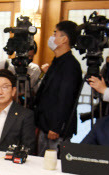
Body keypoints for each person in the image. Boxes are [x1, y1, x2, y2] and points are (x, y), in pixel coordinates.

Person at [33, 20, 82, 156]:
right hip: (45, 124)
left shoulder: (70, 65)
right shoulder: (57, 60)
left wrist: (56, 127)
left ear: (64, 39)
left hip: (55, 129)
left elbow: (66, 98)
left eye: (55, 34)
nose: (52, 37)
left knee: (53, 165)